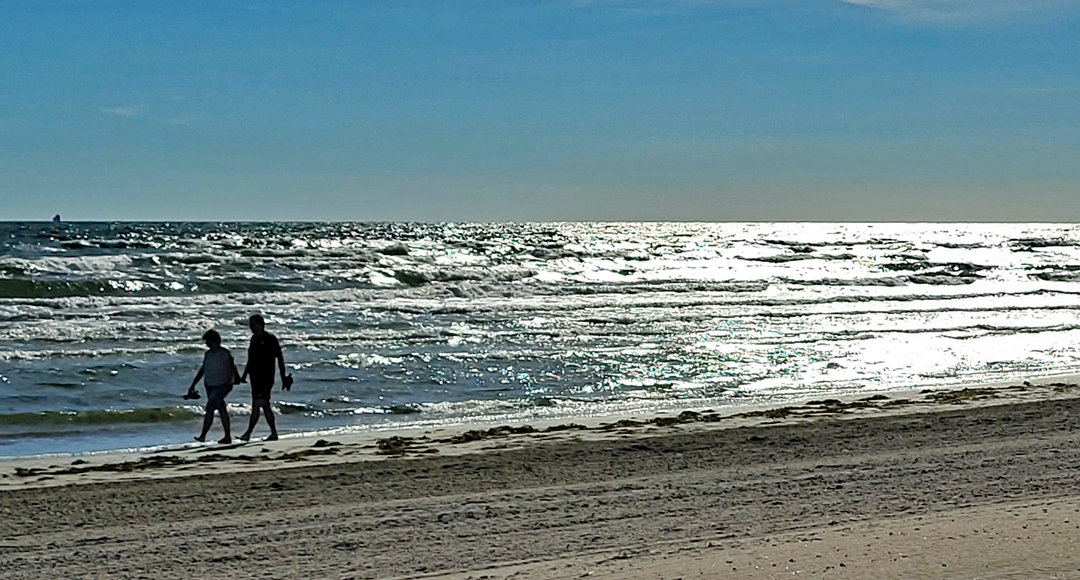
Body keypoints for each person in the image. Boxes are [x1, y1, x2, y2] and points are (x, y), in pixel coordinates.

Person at [238, 314, 292, 442]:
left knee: (260, 403)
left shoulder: (270, 339)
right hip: (255, 377)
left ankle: (250, 433)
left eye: (253, 325)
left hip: (266, 376)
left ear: (261, 324)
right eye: (250, 325)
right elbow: (250, 359)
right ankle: (268, 433)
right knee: (259, 405)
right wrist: (245, 375)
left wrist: (283, 376)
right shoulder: (253, 339)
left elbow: (280, 358)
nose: (251, 328)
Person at [186, 329, 240, 444]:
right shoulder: (208, 354)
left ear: (214, 341)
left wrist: (234, 380)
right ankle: (227, 436)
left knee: (210, 408)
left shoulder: (224, 353)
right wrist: (193, 384)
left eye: (208, 341)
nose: (206, 343)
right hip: (210, 385)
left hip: (222, 385)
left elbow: (232, 367)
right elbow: (203, 370)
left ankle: (203, 435)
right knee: (221, 409)